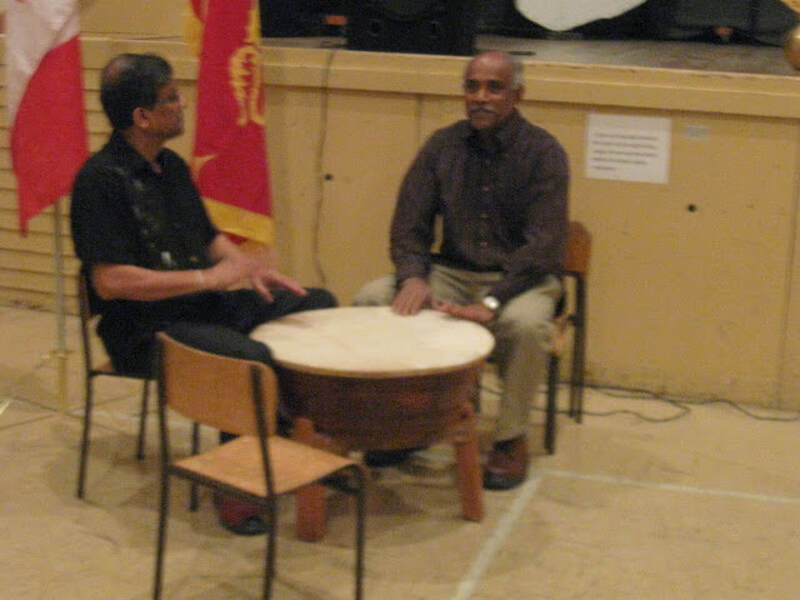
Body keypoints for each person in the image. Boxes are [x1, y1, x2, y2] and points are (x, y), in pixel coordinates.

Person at [70, 53, 336, 534]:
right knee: (246, 359)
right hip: (144, 330)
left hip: (199, 308)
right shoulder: (98, 181)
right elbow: (110, 281)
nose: (183, 104)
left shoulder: (170, 166)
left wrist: (248, 269)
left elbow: (207, 238)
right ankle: (235, 484)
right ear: (142, 116)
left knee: (316, 305)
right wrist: (206, 280)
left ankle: (294, 438)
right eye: (172, 98)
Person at [354, 50, 569, 490]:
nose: (480, 97)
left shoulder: (544, 153)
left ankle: (509, 438)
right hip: (451, 273)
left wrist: (492, 301)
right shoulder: (442, 146)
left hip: (521, 281)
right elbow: (408, 225)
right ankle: (404, 424)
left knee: (526, 326)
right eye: (472, 87)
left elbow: (543, 249)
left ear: (518, 95)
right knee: (372, 299)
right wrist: (413, 277)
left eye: (494, 88)